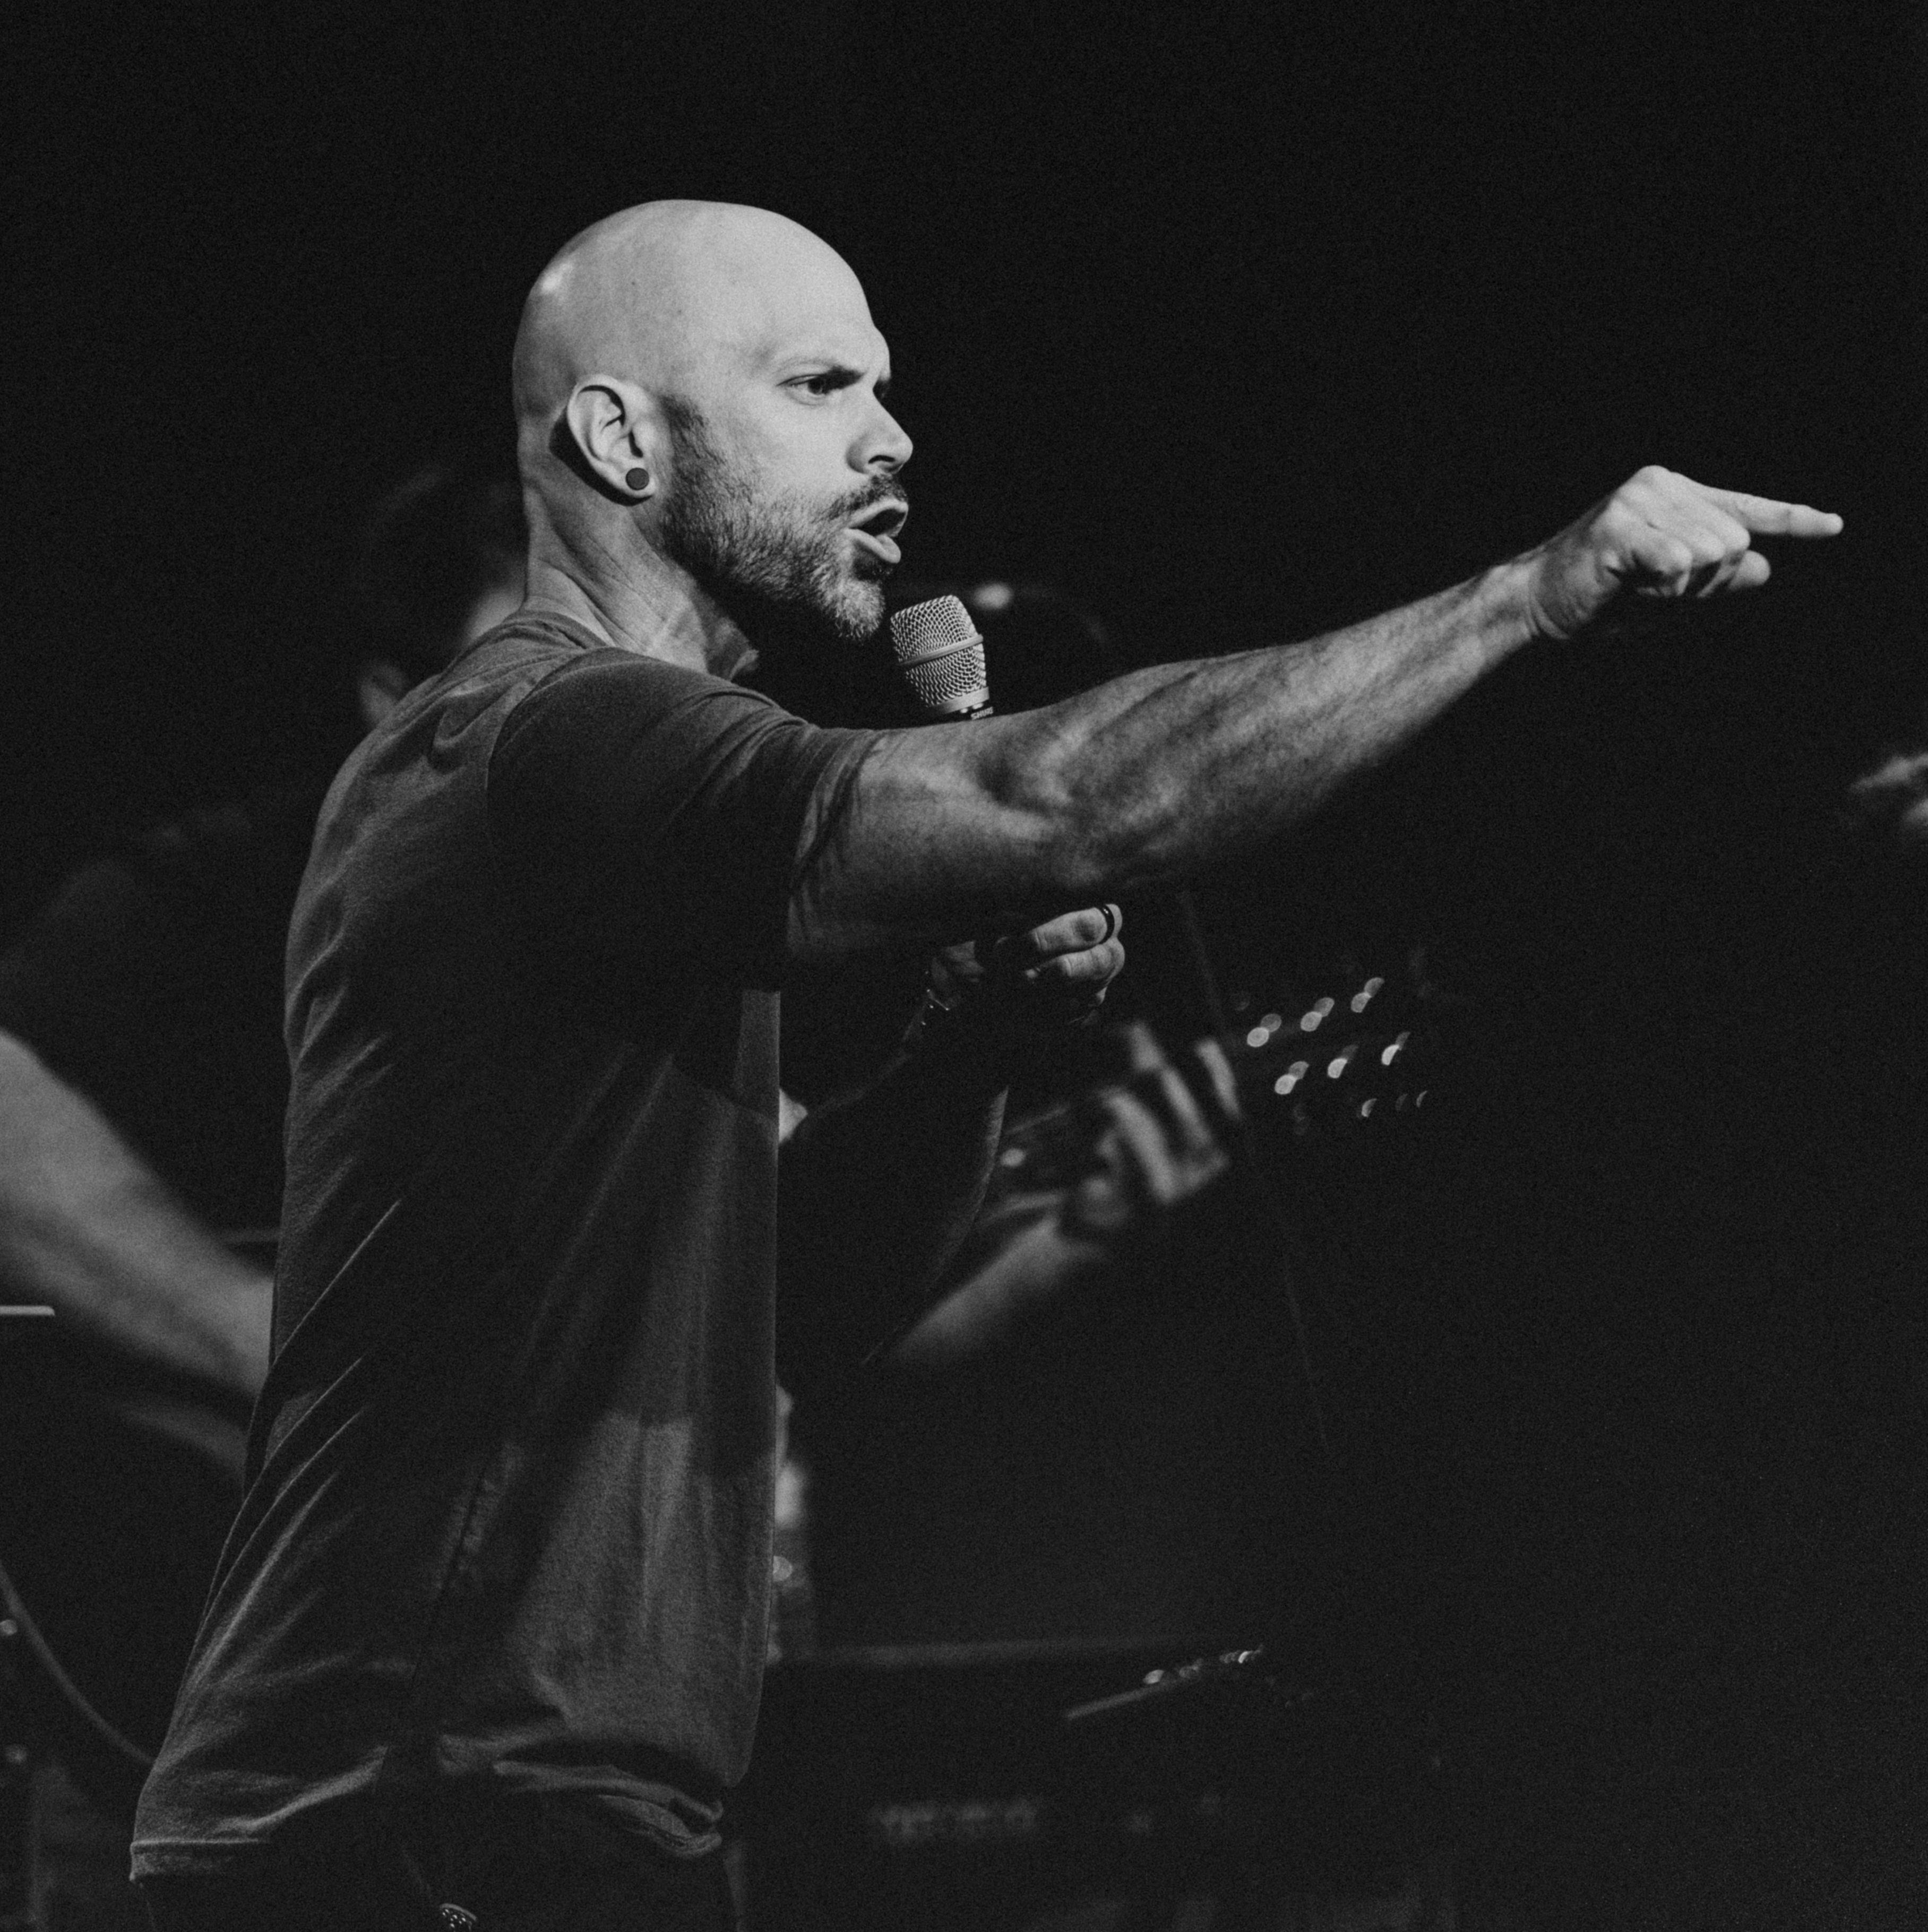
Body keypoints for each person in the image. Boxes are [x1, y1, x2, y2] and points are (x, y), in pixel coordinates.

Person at [127, 199, 1839, 1929]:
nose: (892, 438)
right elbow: (1062, 801)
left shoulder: (633, 845)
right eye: (815, 385)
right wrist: (1524, 598)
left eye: (885, 388)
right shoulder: (549, 744)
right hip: (407, 1817)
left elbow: (807, 1312)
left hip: (540, 1813)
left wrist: (985, 1053)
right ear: (621, 436)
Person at [0, 464, 525, 1932]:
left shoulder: (661, 943)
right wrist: (257, 1337)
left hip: (547, 1765)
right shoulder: (233, 895)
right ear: (388, 693)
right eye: (523, 660)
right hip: (183, 1717)